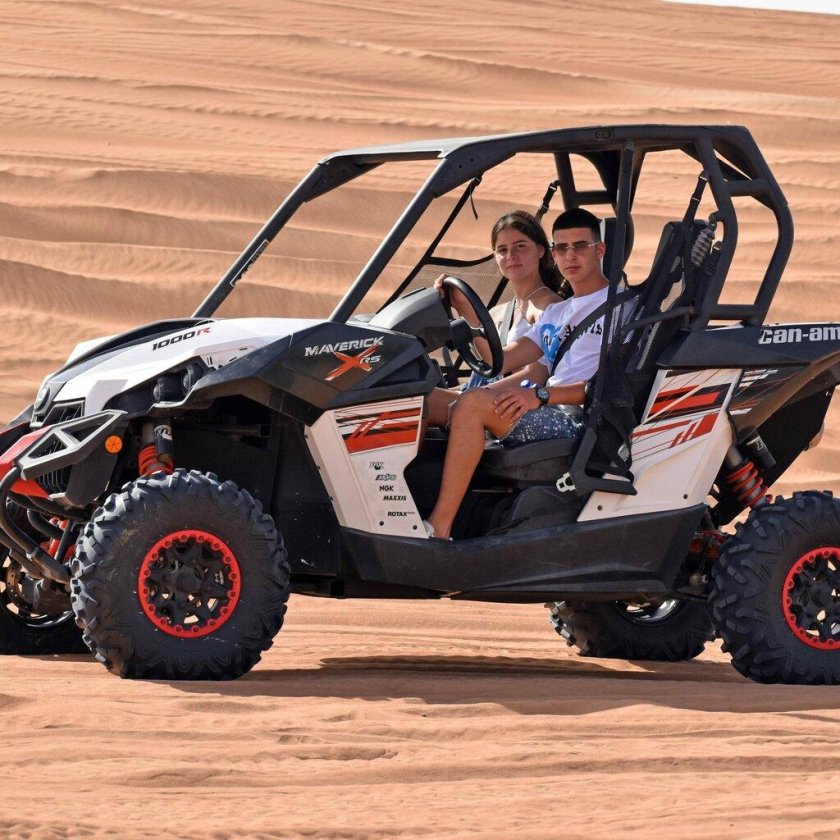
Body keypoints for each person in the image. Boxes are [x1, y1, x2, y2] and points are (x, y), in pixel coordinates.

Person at [424, 207, 611, 540]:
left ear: (599, 250)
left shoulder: (620, 308)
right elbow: (501, 362)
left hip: (577, 422)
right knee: (420, 400)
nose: (570, 256)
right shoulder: (559, 313)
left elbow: (609, 387)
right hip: (545, 408)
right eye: (562, 248)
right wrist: (464, 308)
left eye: (580, 246)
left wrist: (539, 395)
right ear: (553, 253)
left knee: (470, 405)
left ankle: (439, 528)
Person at [426, 209, 564, 425]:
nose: (511, 256)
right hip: (488, 396)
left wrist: (473, 398)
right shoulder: (498, 312)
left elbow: (537, 375)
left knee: (423, 404)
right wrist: (462, 306)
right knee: (412, 396)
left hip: (519, 407)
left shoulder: (550, 307)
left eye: (520, 246)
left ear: (540, 250)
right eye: (502, 250)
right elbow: (489, 365)